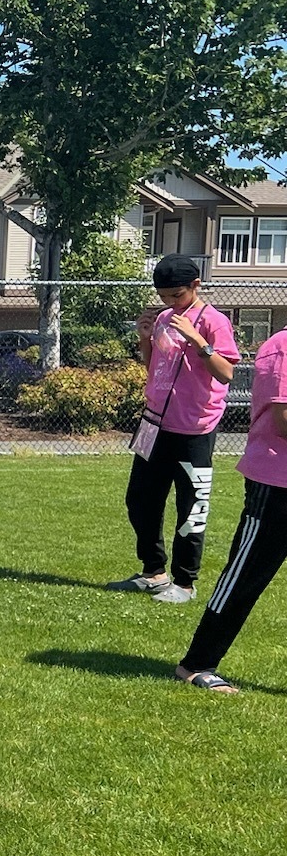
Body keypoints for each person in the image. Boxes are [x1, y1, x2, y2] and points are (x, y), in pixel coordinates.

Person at [113, 255, 240, 603]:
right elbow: (155, 367)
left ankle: (185, 582)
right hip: (154, 423)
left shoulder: (214, 321)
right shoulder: (164, 319)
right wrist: (145, 339)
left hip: (194, 428)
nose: (170, 302)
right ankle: (153, 572)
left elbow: (226, 373)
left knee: (191, 507)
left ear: (196, 285)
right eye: (164, 296)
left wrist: (198, 339)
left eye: (177, 295)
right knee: (140, 499)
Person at [176, 324, 287, 691]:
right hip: (277, 483)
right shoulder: (282, 347)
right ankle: (197, 664)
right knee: (244, 576)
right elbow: (283, 421)